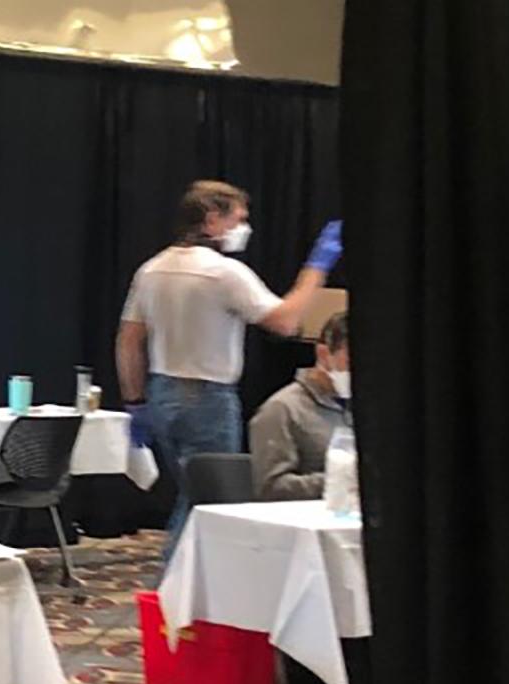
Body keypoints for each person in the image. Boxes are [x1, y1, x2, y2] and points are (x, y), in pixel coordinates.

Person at [115, 180, 343, 557]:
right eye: (238, 218)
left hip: (162, 393)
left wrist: (135, 401)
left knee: (192, 495)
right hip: (207, 397)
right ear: (211, 219)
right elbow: (285, 323)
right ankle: (173, 592)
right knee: (209, 503)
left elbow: (128, 341)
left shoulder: (152, 270)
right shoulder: (223, 273)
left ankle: (185, 590)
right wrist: (316, 269)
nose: (244, 228)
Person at [250, 311, 351, 500]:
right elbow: (271, 488)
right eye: (350, 361)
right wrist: (339, 480)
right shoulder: (283, 409)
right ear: (324, 354)